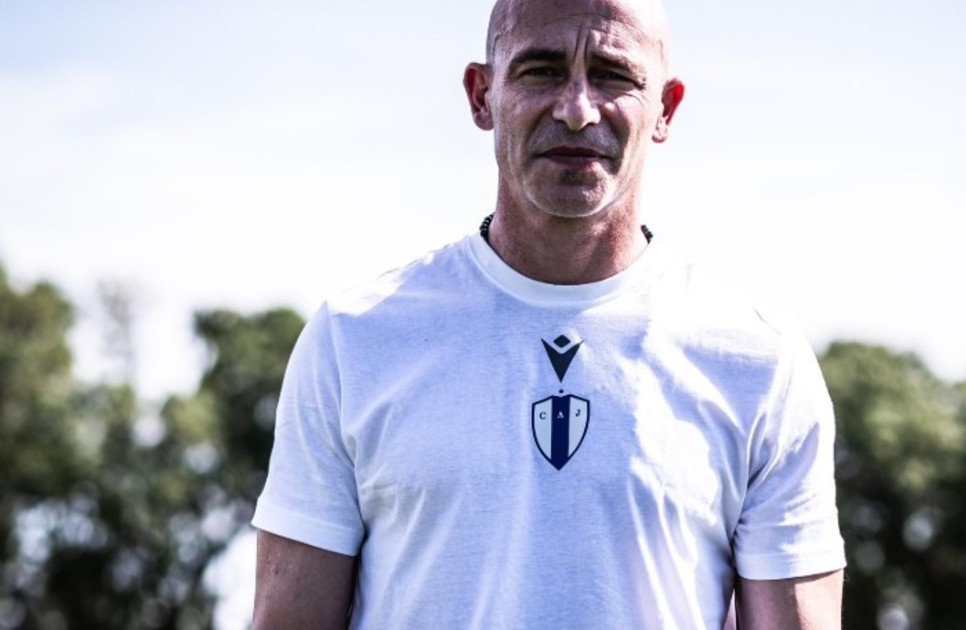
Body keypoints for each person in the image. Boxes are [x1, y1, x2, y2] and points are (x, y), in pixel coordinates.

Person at [250, 0, 846, 627]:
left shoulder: (758, 359)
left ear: (666, 109)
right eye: (541, 70)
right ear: (482, 95)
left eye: (613, 75)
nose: (577, 109)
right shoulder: (354, 339)